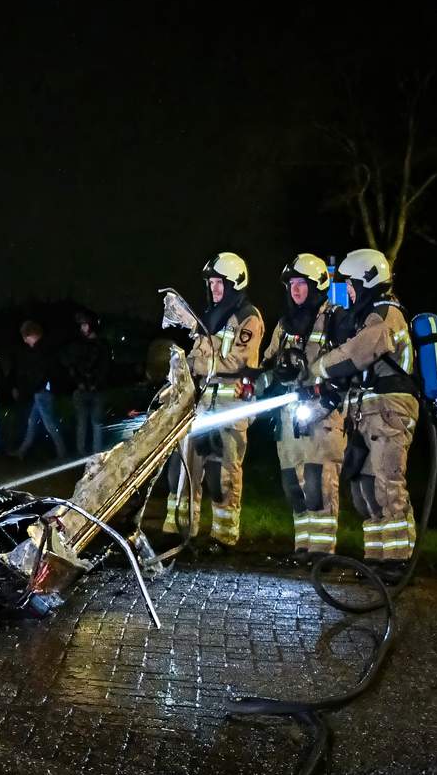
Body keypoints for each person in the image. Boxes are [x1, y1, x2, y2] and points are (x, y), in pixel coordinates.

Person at [308, 248, 418, 583]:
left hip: (390, 411)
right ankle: (377, 557)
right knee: (365, 487)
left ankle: (399, 562)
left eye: (352, 283)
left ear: (368, 279)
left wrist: (319, 369)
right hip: (370, 410)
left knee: (388, 483)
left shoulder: (385, 314)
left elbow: (358, 353)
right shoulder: (369, 314)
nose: (348, 290)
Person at [162, 252, 264, 553]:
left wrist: (200, 363)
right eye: (212, 283)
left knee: (223, 476)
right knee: (183, 469)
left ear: (235, 284)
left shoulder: (249, 317)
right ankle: (180, 530)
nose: (215, 288)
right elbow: (195, 357)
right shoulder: (209, 318)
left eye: (220, 283)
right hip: (200, 408)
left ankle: (223, 537)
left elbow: (236, 361)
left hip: (230, 411)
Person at [261, 254, 344, 562]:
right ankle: (303, 548)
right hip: (289, 415)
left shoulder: (334, 318)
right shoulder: (284, 324)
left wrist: (327, 389)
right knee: (292, 484)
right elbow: (268, 361)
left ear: (317, 284)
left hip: (321, 413)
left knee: (317, 483)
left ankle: (323, 553)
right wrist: (273, 374)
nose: (295, 291)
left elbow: (347, 363)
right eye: (292, 285)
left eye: (302, 284)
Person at [11, 320, 67, 460]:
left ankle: (62, 454)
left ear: (32, 335)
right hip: (41, 392)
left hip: (43, 392)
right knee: (32, 422)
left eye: (26, 338)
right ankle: (22, 452)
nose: (25, 341)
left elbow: (42, 372)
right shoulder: (43, 348)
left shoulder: (41, 350)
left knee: (49, 424)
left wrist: (34, 387)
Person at [61, 310, 111, 455]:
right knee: (82, 423)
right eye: (82, 325)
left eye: (85, 325)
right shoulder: (78, 344)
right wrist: (79, 382)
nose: (83, 328)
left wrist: (96, 383)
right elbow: (72, 365)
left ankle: (97, 454)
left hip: (97, 390)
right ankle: (81, 454)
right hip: (82, 390)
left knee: (96, 422)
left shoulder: (102, 345)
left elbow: (105, 367)